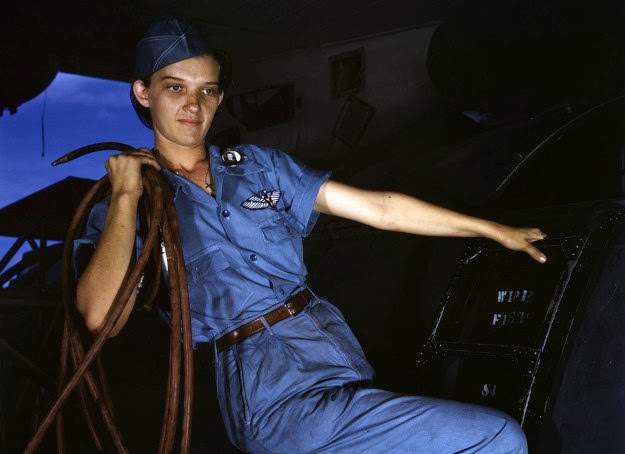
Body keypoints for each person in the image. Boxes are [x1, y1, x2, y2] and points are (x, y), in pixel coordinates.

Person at [75, 18, 547, 454]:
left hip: (330, 345)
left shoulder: (259, 166)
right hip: (265, 384)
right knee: (496, 438)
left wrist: (491, 229)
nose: (193, 105)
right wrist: (124, 195)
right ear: (143, 93)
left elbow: (379, 209)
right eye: (175, 87)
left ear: (219, 98)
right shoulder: (131, 205)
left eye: (208, 90)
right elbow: (102, 317)